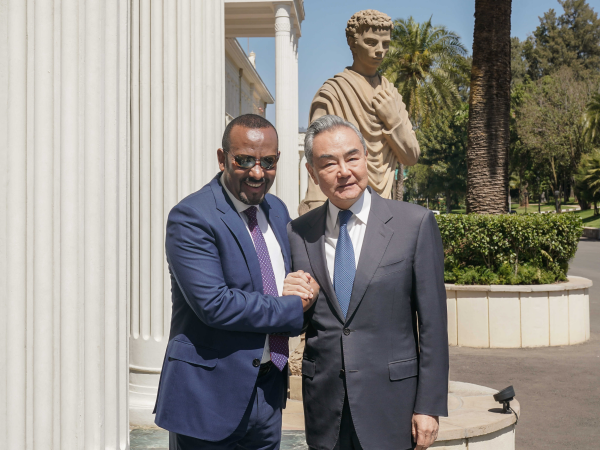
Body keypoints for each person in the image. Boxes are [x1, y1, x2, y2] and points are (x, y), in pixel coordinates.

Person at [154, 114, 319, 450]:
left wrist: (305, 288)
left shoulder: (277, 210)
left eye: (268, 162)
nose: (257, 172)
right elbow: (216, 305)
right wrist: (294, 307)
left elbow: (286, 283)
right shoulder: (192, 216)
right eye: (244, 160)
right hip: (207, 398)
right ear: (222, 158)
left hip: (268, 394)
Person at [288, 115, 449, 450]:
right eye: (328, 163)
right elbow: (300, 322)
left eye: (352, 158)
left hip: (392, 406)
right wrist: (293, 302)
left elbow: (433, 325)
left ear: (366, 158)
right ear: (312, 173)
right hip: (325, 409)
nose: (343, 171)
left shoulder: (414, 224)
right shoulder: (299, 233)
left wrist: (429, 406)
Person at [299, 9, 420, 214]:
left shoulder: (391, 94)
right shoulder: (334, 93)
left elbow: (411, 156)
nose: (380, 50)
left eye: (385, 44)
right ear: (352, 42)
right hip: (341, 209)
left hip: (383, 207)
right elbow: (319, 157)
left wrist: (393, 120)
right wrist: (316, 215)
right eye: (371, 42)